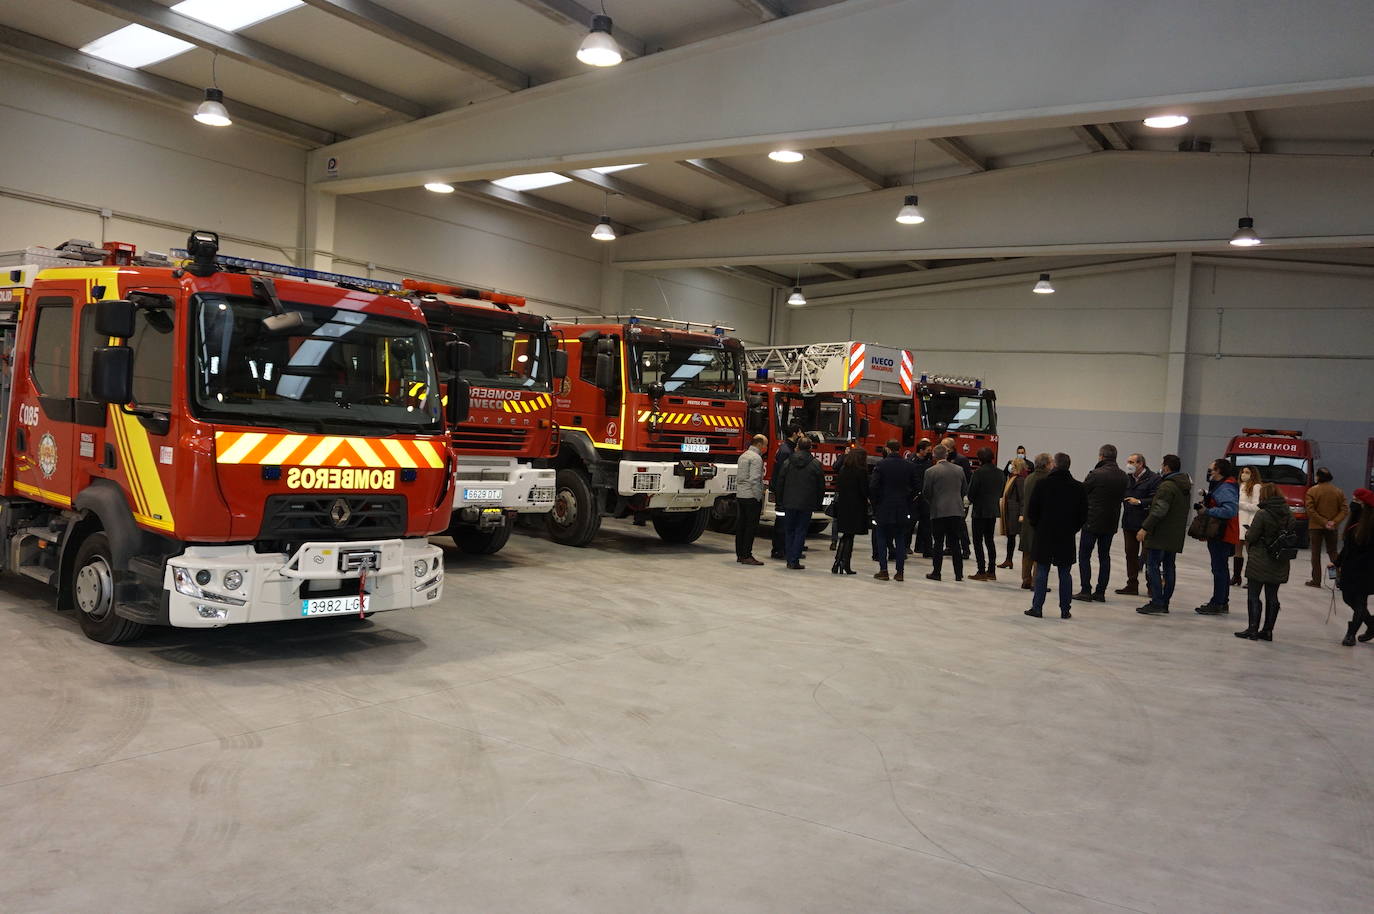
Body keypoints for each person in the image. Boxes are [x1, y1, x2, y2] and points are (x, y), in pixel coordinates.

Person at [1025, 452, 1088, 619]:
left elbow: (1032, 512)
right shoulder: (1078, 487)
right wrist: (1072, 529)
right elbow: (1083, 515)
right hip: (1066, 535)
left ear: (1054, 465)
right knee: (1065, 573)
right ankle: (1065, 609)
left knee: (1042, 571)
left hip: (1044, 533)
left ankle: (1037, 608)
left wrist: (1039, 527)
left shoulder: (1042, 485)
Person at [1234, 483, 1294, 641]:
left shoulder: (1262, 514)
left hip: (1260, 558)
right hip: (1279, 559)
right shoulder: (1288, 513)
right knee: (1272, 596)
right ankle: (1268, 631)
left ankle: (1252, 629)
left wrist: (1248, 533)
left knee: (1253, 594)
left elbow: (1252, 537)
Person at [1136, 455, 1192, 614]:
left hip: (1161, 534)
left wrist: (1145, 528)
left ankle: (1157, 602)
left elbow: (1159, 510)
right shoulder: (1184, 486)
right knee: (1169, 567)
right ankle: (1164, 602)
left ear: (1166, 467)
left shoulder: (1167, 486)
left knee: (1153, 566)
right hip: (1174, 535)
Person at [1075, 444, 1129, 603]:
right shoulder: (1123, 476)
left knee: (1084, 556)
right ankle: (1100, 592)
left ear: (1101, 456)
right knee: (1104, 556)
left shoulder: (1095, 474)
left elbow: (1083, 493)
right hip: (1110, 523)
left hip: (1092, 521)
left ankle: (1086, 590)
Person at [869, 439, 919, 581]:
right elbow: (917, 487)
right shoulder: (909, 466)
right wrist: (908, 501)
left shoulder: (881, 465)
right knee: (900, 538)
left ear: (888, 449)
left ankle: (883, 570)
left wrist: (876, 503)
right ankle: (900, 572)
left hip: (884, 507)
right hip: (902, 507)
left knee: (882, 538)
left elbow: (873, 486)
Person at [1196, 458, 1240, 615]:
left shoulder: (1226, 487)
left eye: (1211, 469)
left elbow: (1230, 510)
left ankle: (1218, 602)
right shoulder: (1223, 485)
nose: (1209, 472)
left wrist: (1207, 511)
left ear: (1219, 471)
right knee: (1221, 568)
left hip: (1223, 533)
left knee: (1219, 569)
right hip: (1223, 533)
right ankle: (1221, 601)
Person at [773, 436, 824, 570]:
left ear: (797, 446)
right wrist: (818, 503)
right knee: (801, 531)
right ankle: (795, 559)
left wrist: (780, 500)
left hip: (789, 502)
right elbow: (820, 486)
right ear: (810, 447)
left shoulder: (788, 462)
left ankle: (789, 558)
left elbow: (780, 482)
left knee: (789, 531)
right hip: (806, 503)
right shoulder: (816, 464)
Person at [1116, 454, 1160, 597]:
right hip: (1129, 522)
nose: (1128, 464)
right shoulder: (1126, 478)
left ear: (1140, 464)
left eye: (1131, 462)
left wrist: (1140, 502)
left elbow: (1156, 499)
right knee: (1130, 554)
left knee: (1148, 556)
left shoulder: (1153, 479)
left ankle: (1152, 586)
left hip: (1146, 523)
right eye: (1128, 461)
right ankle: (1132, 584)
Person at [923, 445, 967, 582]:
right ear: (946, 455)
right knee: (955, 543)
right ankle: (958, 574)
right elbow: (964, 489)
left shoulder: (930, 471)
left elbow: (926, 492)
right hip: (956, 511)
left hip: (938, 511)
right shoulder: (959, 470)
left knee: (938, 542)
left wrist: (934, 502)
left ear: (934, 456)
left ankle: (937, 572)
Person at [1336, 489, 1374, 645]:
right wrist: (1337, 562)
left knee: (1359, 601)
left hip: (1366, 570)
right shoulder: (1354, 521)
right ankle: (1372, 624)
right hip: (1350, 569)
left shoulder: (1371, 524)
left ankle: (1351, 635)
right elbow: (1347, 547)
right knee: (1348, 598)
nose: (1353, 504)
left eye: (1357, 501)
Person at [1304, 467, 1349, 588]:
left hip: (1315, 527)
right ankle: (1337, 579)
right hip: (1332, 528)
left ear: (1318, 477)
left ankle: (1316, 580)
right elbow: (1344, 509)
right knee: (1333, 553)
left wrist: (1324, 522)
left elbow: (1310, 510)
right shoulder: (1338, 491)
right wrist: (1333, 522)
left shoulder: (1312, 491)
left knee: (1315, 554)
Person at [831, 446, 869, 575]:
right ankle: (845, 564)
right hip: (856, 507)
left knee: (845, 535)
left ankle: (837, 562)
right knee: (849, 536)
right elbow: (864, 490)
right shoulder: (861, 471)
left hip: (843, 506)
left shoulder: (843, 469)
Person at [967, 448, 1004, 580]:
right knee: (990, 540)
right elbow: (1001, 492)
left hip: (979, 511)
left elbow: (971, 493)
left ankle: (981, 570)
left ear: (979, 459)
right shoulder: (1000, 473)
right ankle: (992, 571)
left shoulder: (978, 473)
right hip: (993, 510)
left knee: (977, 541)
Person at [769, 423, 803, 559]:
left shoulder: (787, 448)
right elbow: (781, 474)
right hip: (784, 492)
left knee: (785, 521)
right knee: (782, 522)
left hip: (784, 491)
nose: (801, 435)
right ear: (794, 434)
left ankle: (783, 548)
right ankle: (778, 549)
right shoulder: (786, 451)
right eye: (799, 432)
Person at [1018, 454, 1052, 590]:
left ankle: (1026, 579)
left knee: (1027, 551)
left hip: (1027, 519)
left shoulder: (1029, 478)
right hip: (1041, 521)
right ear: (1046, 464)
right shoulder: (1048, 480)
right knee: (1039, 552)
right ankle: (1036, 582)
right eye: (1051, 462)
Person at [734, 434, 768, 565]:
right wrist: (758, 496)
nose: (765, 448)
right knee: (750, 527)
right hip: (751, 496)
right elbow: (754, 479)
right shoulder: (756, 458)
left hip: (741, 495)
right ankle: (747, 555)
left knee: (741, 526)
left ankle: (740, 554)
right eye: (765, 445)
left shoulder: (743, 456)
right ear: (759, 444)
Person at [942, 438, 973, 558]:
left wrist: (965, 496)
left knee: (960, 524)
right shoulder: (945, 459)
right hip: (946, 495)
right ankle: (949, 546)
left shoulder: (961, 460)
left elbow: (967, 479)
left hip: (958, 497)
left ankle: (965, 549)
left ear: (950, 448)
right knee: (947, 522)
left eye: (944, 446)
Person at [1232, 465, 1262, 585]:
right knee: (1237, 550)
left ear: (1253, 474)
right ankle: (1236, 576)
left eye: (1247, 472)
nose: (1244, 474)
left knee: (1251, 552)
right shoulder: (1241, 485)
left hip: (1249, 522)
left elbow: (1257, 506)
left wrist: (1240, 504)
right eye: (1243, 472)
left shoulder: (1256, 487)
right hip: (1239, 520)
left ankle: (1252, 579)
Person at [998, 456, 1028, 569]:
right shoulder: (1012, 478)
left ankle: (1009, 560)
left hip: (1014, 514)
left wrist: (1021, 514)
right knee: (1010, 537)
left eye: (1013, 465)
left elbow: (1022, 498)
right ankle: (1008, 560)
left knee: (1013, 537)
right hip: (1010, 512)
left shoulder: (1019, 480)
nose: (1010, 467)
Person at [908, 439, 934, 557]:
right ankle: (905, 546)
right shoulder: (911, 462)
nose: (930, 452)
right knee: (910, 523)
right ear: (921, 450)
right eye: (928, 450)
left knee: (926, 524)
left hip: (925, 498)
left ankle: (925, 548)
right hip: (913, 497)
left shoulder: (928, 462)